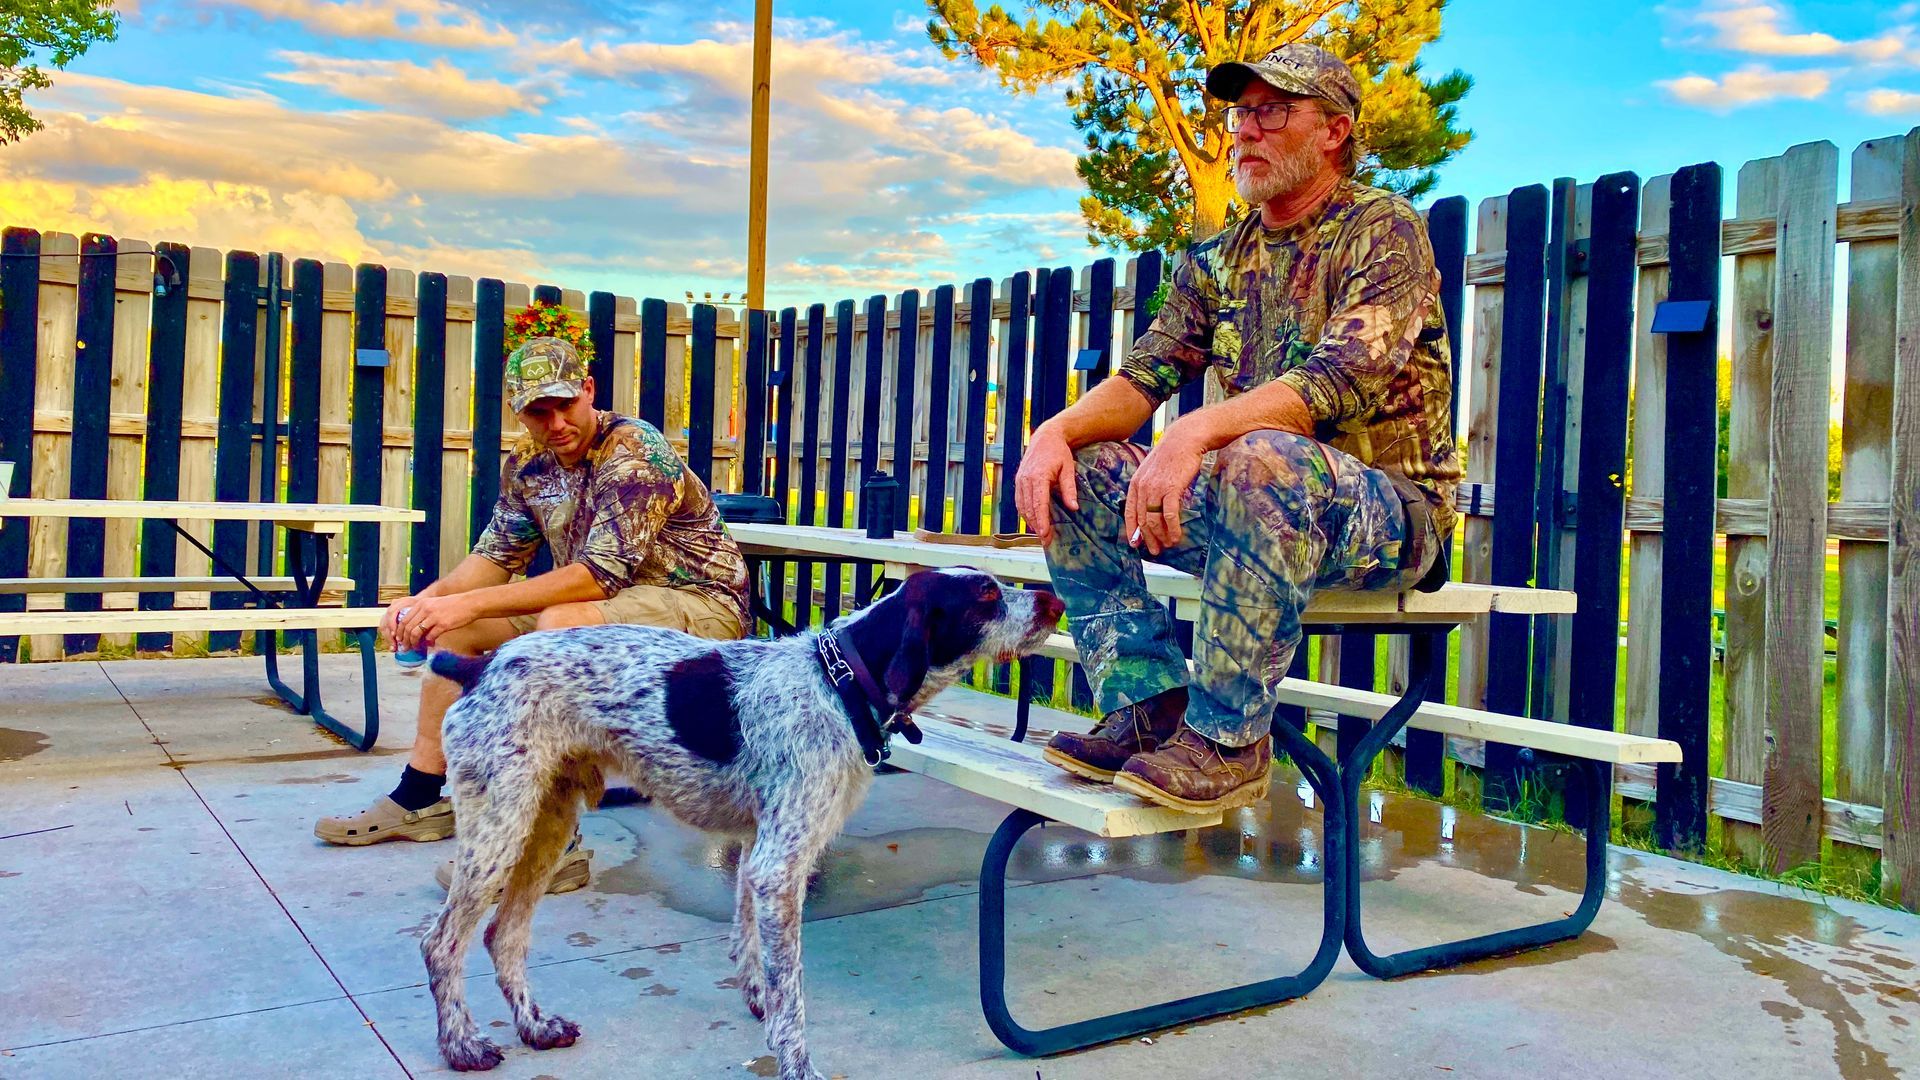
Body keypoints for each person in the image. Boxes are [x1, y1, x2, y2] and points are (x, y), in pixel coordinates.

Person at [1017, 43, 1462, 813]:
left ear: (1333, 131)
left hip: (1391, 518)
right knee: (1081, 469)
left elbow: (1339, 379)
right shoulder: (1217, 259)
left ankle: (1228, 741)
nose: (1246, 131)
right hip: (1257, 505)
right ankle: (1150, 705)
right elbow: (1142, 378)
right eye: (1240, 113)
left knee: (1260, 455)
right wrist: (1053, 433)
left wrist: (1193, 436)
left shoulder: (1382, 229)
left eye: (1272, 111)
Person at [315, 336, 751, 892]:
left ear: (589, 390)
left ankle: (554, 845)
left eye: (565, 404)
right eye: (537, 412)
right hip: (601, 606)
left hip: (700, 606)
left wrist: (462, 601)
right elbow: (494, 558)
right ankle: (421, 797)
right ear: (519, 414)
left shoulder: (636, 451)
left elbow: (598, 574)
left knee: (558, 633)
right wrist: (429, 604)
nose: (556, 422)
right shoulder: (527, 465)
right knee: (461, 631)